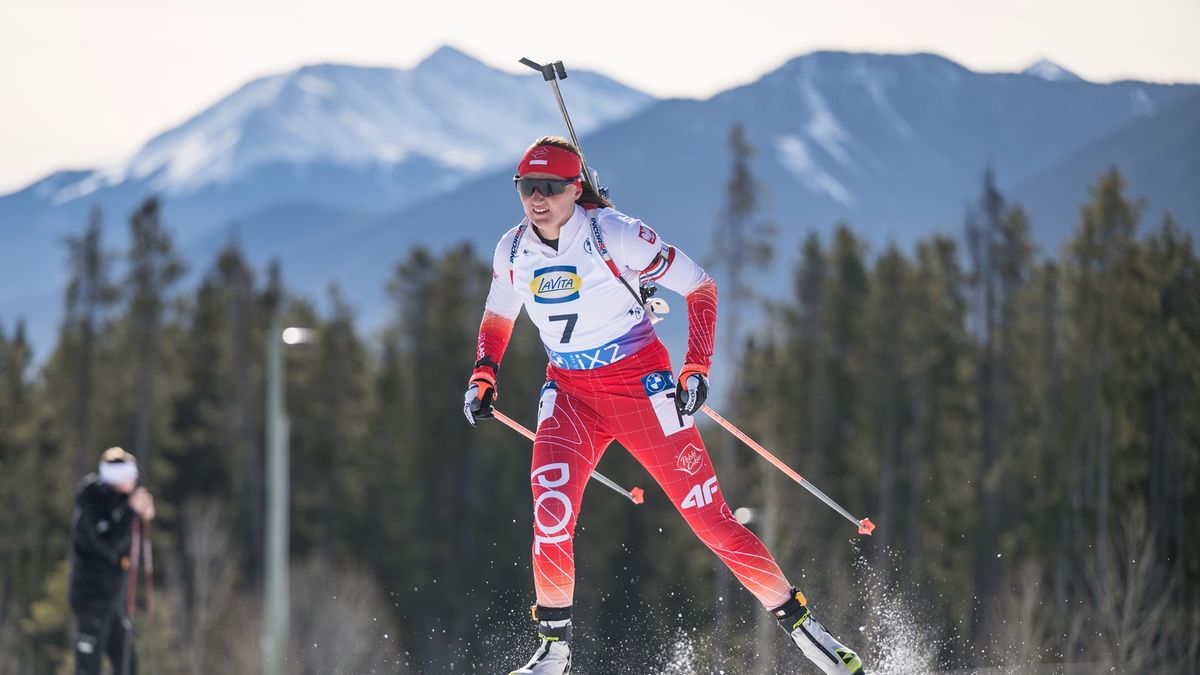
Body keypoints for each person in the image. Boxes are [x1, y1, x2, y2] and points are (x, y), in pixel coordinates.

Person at [463, 136, 866, 674]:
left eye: (551, 188)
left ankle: (806, 630)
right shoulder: (512, 250)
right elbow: (498, 315)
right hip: (570, 395)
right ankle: (553, 652)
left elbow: (700, 287)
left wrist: (696, 366)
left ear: (575, 189)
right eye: (526, 188)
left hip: (640, 388)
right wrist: (483, 373)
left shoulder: (617, 235)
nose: (537, 199)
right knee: (551, 513)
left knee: (711, 521)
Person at [69, 447, 156, 675]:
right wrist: (131, 512)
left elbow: (128, 540)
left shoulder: (123, 501)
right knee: (89, 667)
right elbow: (108, 545)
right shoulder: (93, 500)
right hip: (92, 599)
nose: (134, 481)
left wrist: (142, 515)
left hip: (115, 601)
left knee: (127, 664)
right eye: (129, 476)